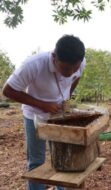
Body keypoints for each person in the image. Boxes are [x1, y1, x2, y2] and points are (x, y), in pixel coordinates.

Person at [2, 34, 86, 190]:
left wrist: (66, 96)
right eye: (66, 69)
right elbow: (8, 91)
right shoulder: (33, 65)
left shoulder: (79, 63)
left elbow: (77, 76)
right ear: (54, 57)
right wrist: (43, 105)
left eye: (74, 68)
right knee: (36, 162)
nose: (70, 72)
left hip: (60, 116)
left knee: (63, 157)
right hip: (34, 116)